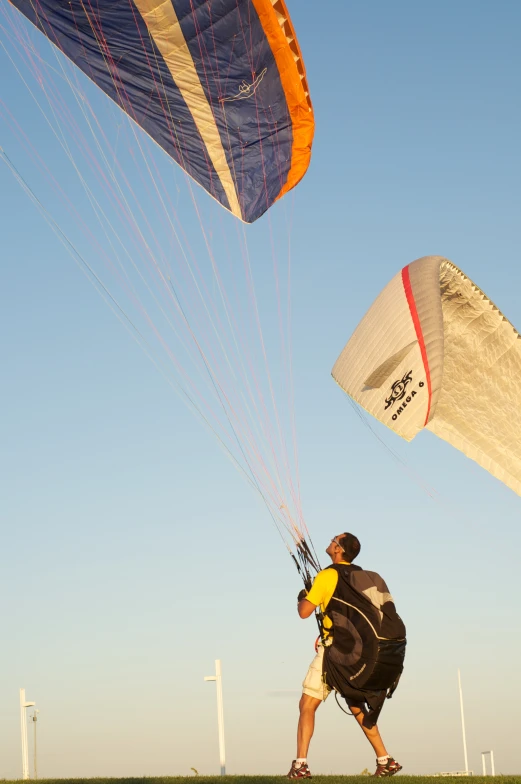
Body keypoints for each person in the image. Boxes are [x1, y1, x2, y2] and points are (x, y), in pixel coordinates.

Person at [287, 533, 404, 779]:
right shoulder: (364, 577)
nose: (329, 541)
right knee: (355, 703)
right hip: (359, 655)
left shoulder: (327, 576)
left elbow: (304, 612)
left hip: (335, 652)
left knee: (307, 704)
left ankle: (300, 765)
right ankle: (386, 760)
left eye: (334, 540)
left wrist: (302, 597)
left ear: (339, 550)